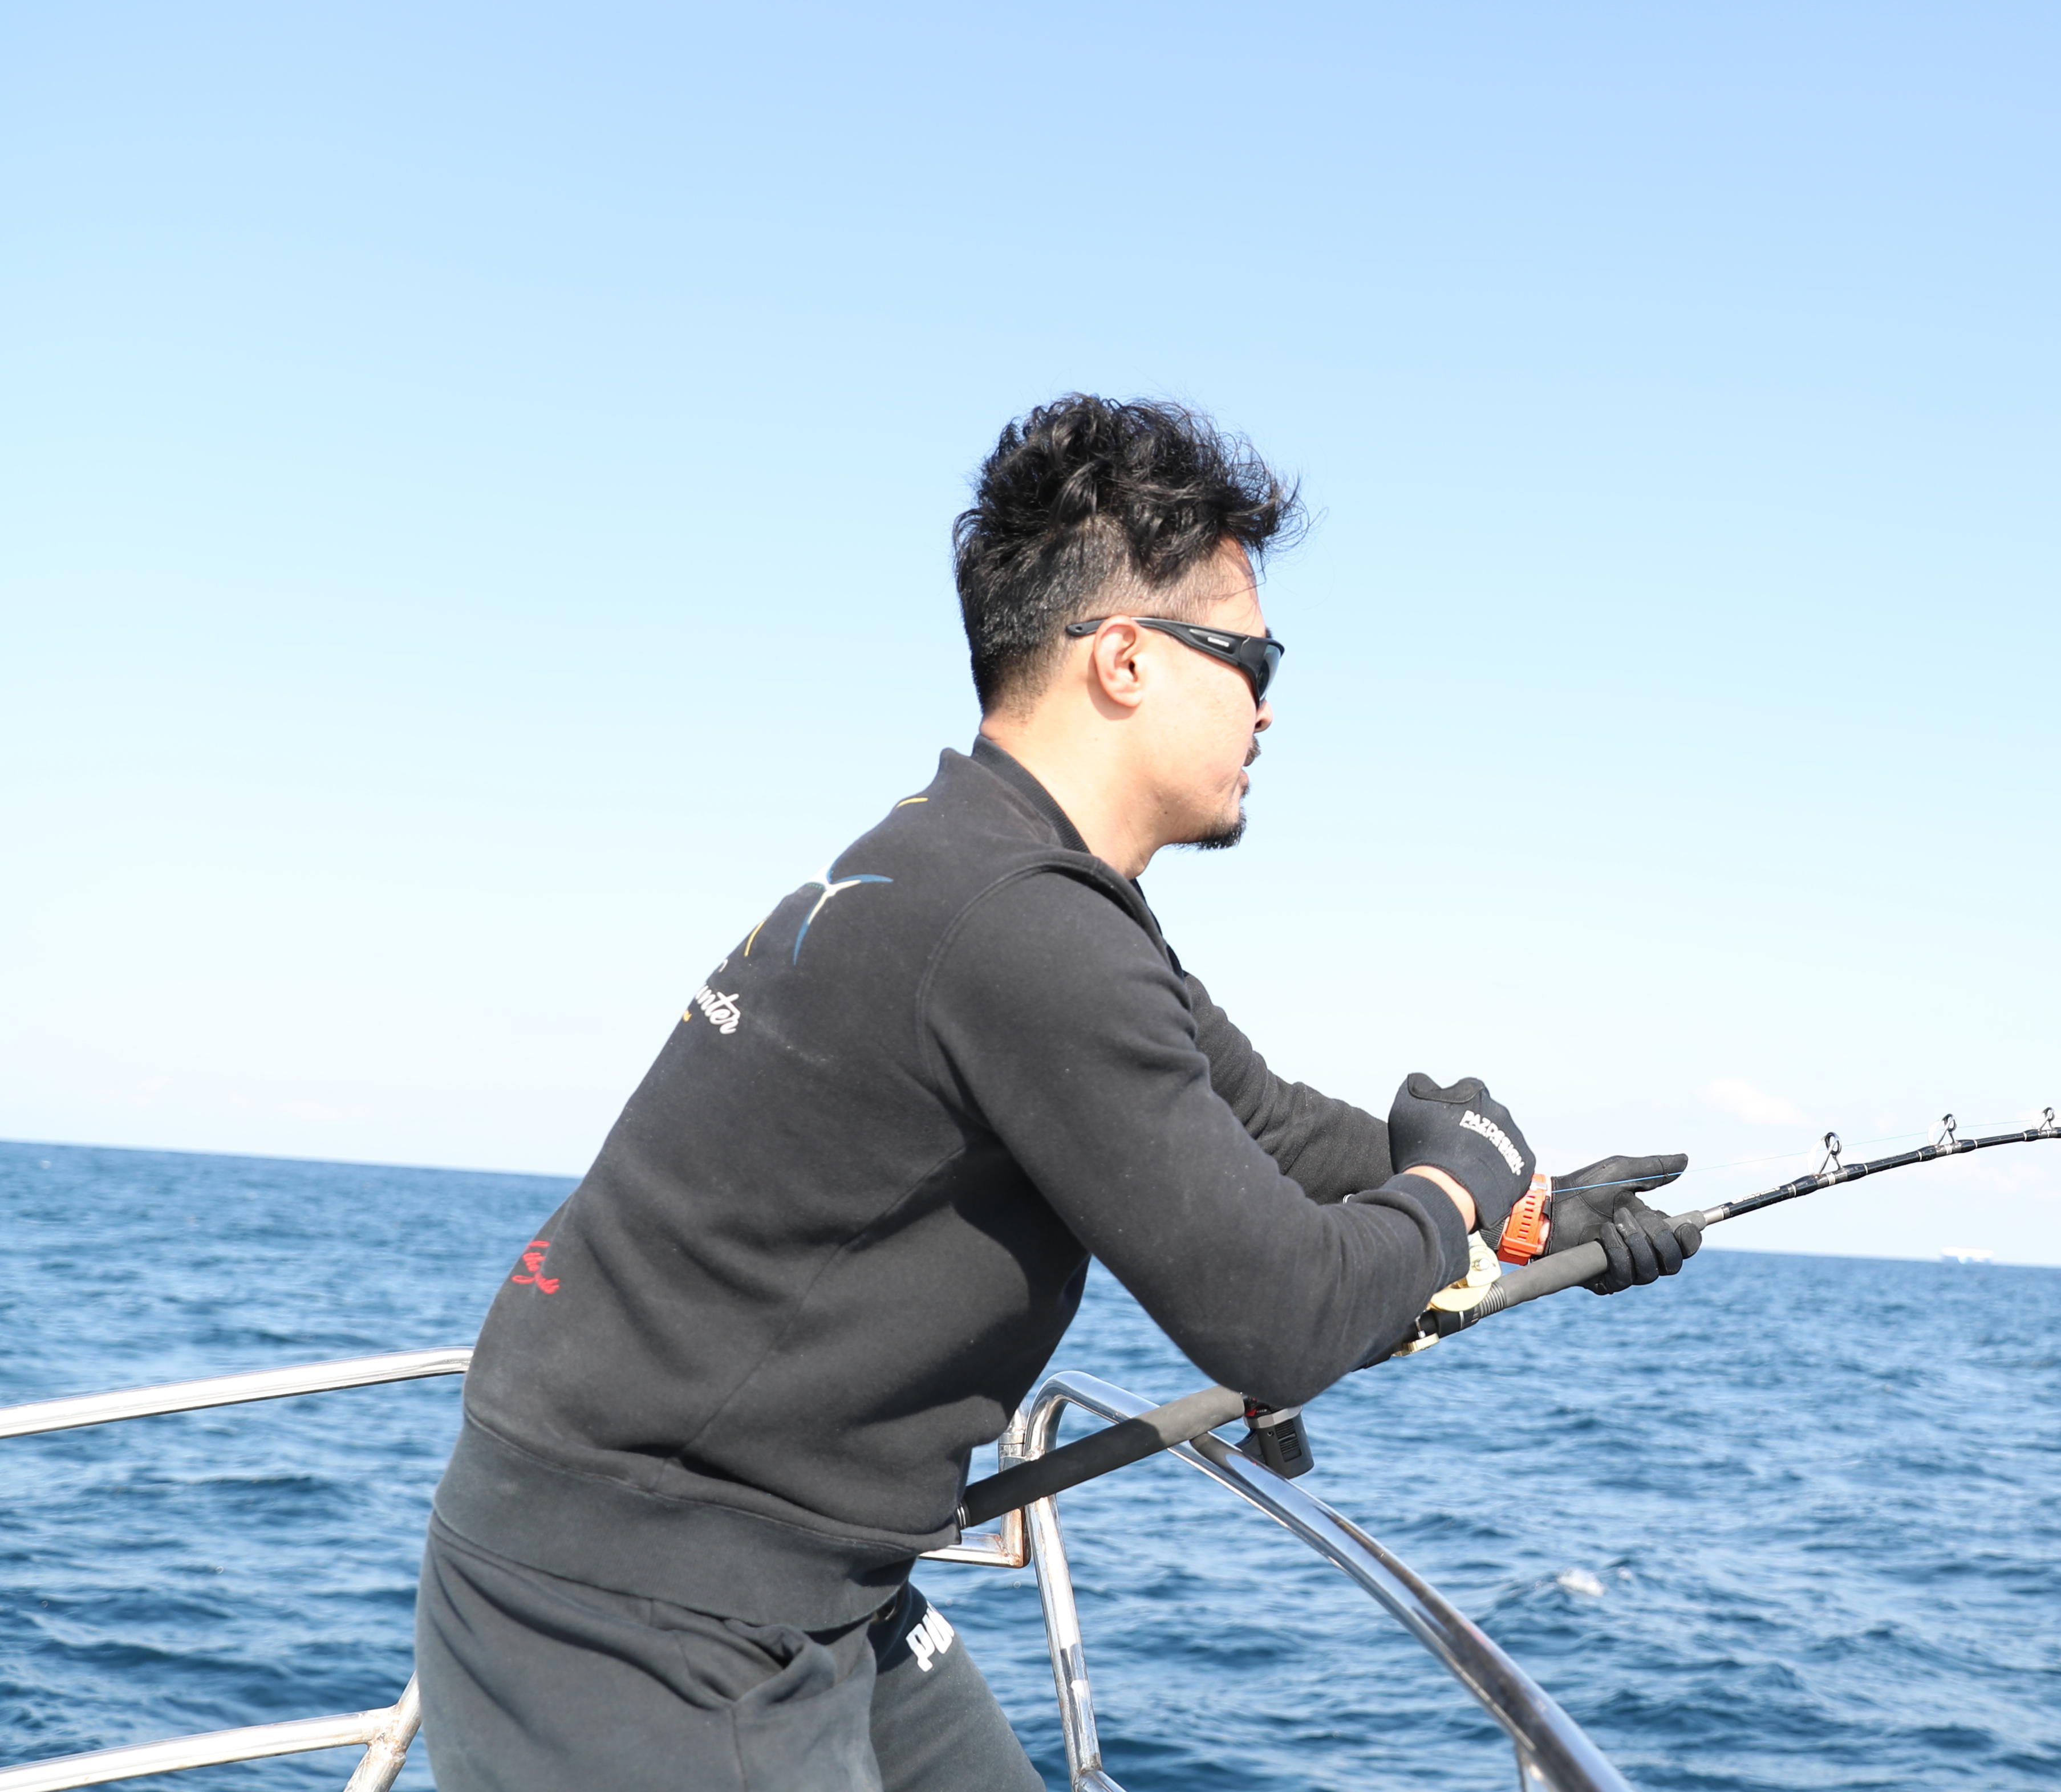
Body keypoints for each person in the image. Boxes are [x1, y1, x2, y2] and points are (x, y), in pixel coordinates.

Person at [413, 395, 1701, 1790]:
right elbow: (1275, 1318)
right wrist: (1450, 1189)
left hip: (808, 1581)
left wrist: (1540, 1208)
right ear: (1128, 660)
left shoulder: (1000, 872)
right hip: (643, 1608)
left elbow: (1262, 1125)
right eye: (1252, 653)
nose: (1270, 700)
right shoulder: (1022, 927)